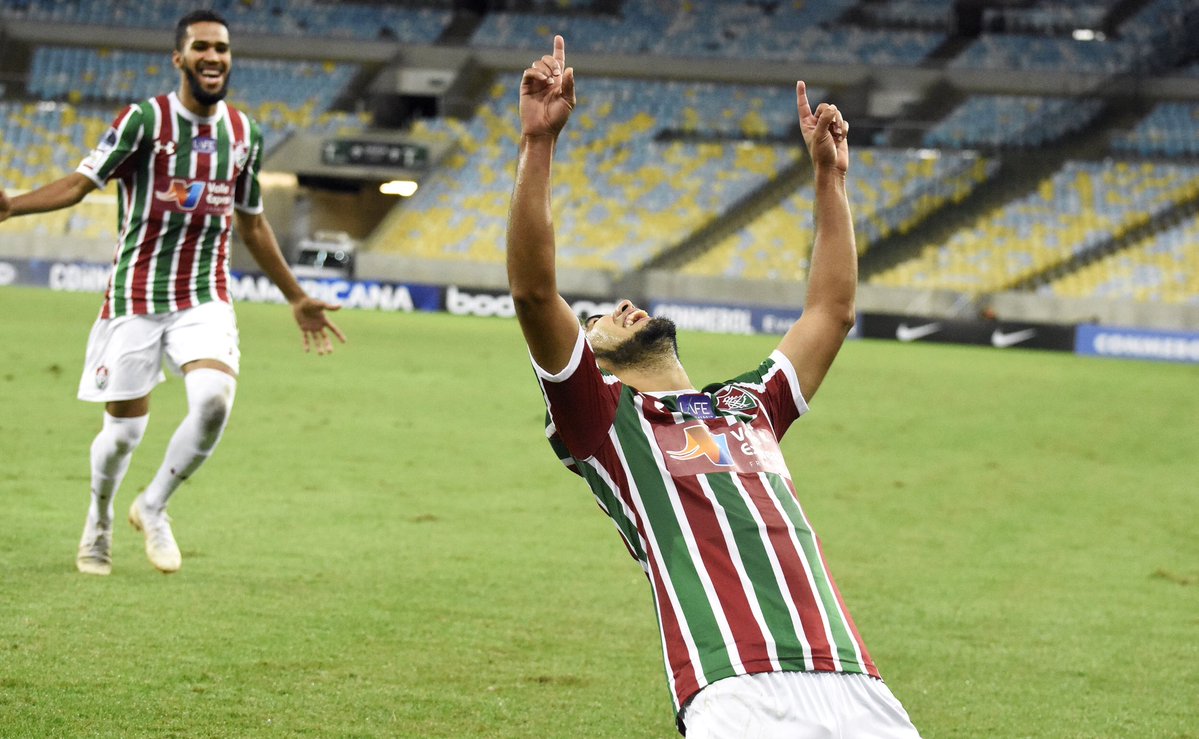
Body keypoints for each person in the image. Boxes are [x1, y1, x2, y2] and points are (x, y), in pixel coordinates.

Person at [506, 36, 921, 737]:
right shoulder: (604, 424)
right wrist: (538, 144)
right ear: (592, 367)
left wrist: (829, 177)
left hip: (854, 678)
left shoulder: (747, 404)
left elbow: (831, 311)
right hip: (733, 690)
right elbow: (532, 290)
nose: (617, 309)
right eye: (597, 322)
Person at [0, 9, 346, 576]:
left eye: (223, 49)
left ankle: (154, 505)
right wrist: (13, 205)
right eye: (203, 47)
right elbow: (79, 183)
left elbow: (253, 223)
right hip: (135, 296)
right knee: (121, 435)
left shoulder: (244, 133)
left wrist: (296, 296)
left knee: (213, 400)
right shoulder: (143, 121)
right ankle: (101, 516)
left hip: (203, 295)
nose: (214, 57)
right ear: (179, 58)